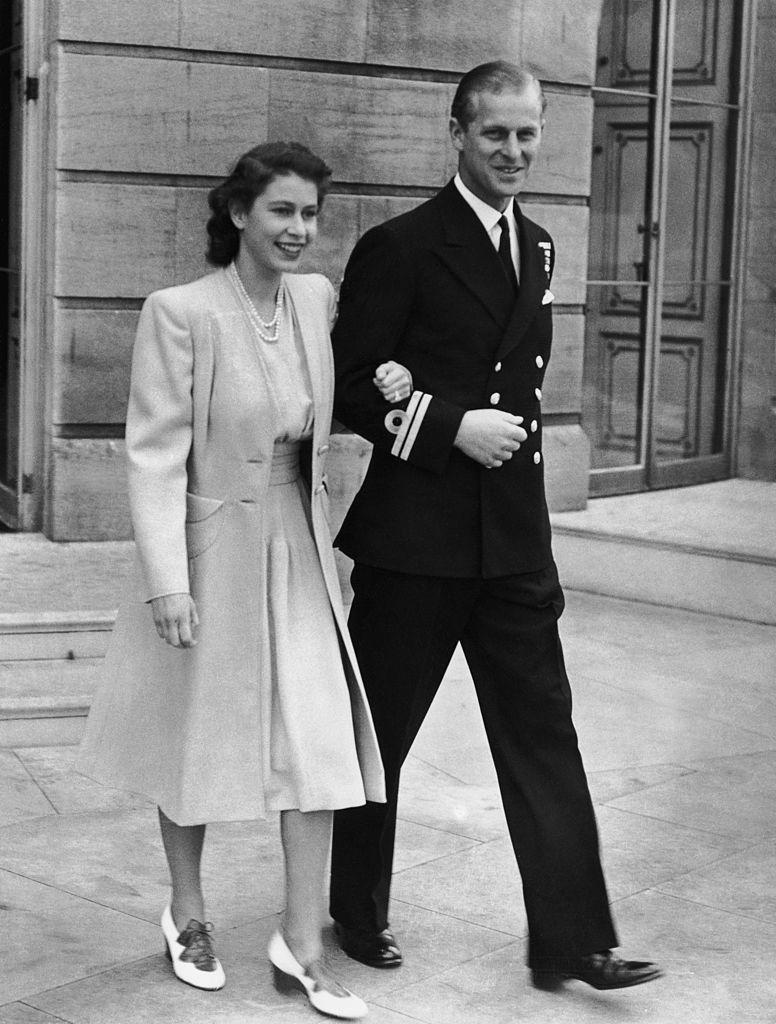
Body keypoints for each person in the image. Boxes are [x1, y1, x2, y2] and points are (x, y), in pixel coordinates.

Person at [328, 62, 662, 992]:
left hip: (511, 543)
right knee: (380, 734)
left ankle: (574, 942)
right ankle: (356, 907)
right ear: (458, 134)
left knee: (544, 736)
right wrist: (445, 426)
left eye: (526, 135)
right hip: (416, 547)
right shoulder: (401, 246)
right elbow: (354, 384)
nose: (513, 152)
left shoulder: (544, 247)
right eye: (495, 135)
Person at [78, 141, 411, 1020]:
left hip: (297, 544)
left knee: (317, 743)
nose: (300, 230)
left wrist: (396, 377)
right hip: (209, 550)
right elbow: (153, 454)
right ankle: (186, 914)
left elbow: (358, 381)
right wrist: (165, 581)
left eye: (310, 214)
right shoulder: (180, 311)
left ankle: (300, 943)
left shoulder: (316, 298)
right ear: (238, 215)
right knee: (193, 740)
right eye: (282, 212)